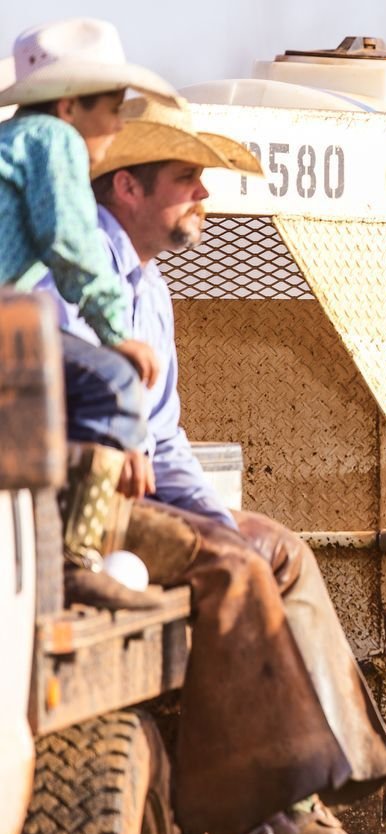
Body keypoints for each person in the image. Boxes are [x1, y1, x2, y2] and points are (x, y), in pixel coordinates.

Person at [40, 95, 386, 834]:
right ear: (127, 190)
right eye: (186, 179)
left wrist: (218, 518)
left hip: (134, 495)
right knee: (232, 568)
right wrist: (101, 444)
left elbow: (164, 435)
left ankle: (314, 795)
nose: (204, 195)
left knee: (276, 548)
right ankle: (253, 824)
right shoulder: (70, 278)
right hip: (72, 501)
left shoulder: (150, 289)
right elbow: (40, 389)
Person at [1, 18, 178, 607]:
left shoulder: (18, 142)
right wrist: (115, 331)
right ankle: (77, 557)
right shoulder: (52, 142)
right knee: (113, 383)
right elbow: (72, 242)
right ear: (72, 106)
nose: (120, 125)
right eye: (112, 108)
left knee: (73, 389)